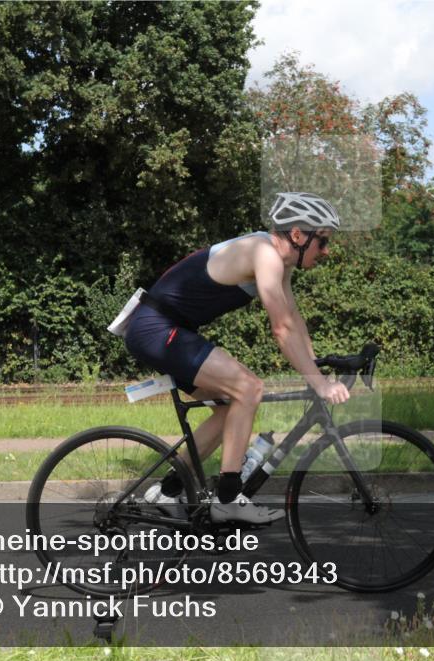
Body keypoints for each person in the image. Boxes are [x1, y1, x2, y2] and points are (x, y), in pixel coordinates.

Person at [123, 192, 350, 524]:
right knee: (248, 387)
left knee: (230, 407)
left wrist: (317, 372)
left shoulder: (279, 262)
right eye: (323, 240)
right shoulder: (265, 254)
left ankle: (169, 490)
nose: (326, 250)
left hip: (166, 330)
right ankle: (228, 499)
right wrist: (318, 384)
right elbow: (281, 330)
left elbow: (295, 322)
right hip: (157, 328)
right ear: (298, 235)